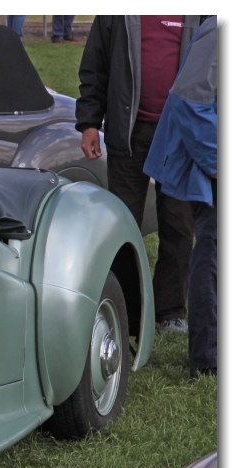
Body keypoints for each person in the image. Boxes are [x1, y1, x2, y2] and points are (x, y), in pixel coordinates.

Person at [76, 16, 202, 334]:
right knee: (122, 227)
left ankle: (170, 310)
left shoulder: (203, 12)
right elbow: (95, 65)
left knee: (179, 225)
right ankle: (126, 307)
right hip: (128, 134)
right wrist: (89, 122)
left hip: (180, 135)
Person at [144, 17, 217, 377]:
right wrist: (219, 163)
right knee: (213, 255)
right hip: (212, 160)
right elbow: (190, 101)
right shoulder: (219, 26)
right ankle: (210, 360)